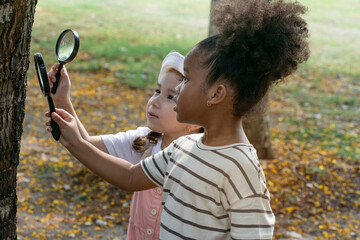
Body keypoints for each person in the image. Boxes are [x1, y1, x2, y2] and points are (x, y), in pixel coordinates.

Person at [46, 0, 309, 238]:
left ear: (216, 94)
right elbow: (128, 177)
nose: (180, 89)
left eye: (188, 79)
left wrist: (75, 140)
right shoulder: (181, 149)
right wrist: (73, 141)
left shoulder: (242, 170)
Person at [47, 52, 201, 239]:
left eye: (170, 97)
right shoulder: (144, 141)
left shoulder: (202, 161)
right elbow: (89, 145)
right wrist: (62, 100)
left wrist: (75, 141)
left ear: (196, 120)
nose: (154, 101)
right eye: (157, 91)